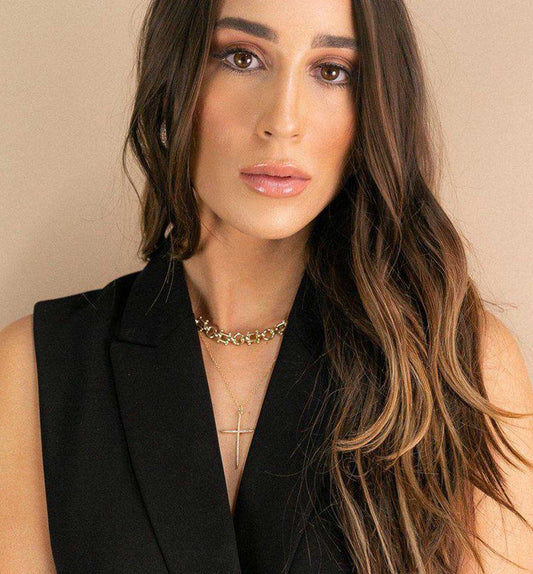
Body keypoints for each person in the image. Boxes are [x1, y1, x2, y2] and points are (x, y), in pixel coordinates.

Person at [1, 0, 532, 572]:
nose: (283, 120)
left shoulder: (461, 364)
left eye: (332, 71)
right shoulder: (36, 368)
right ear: (174, 78)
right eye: (242, 57)